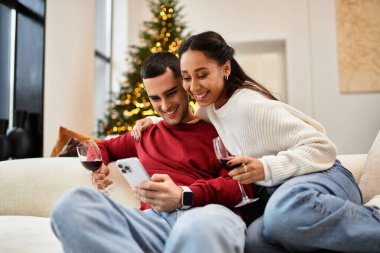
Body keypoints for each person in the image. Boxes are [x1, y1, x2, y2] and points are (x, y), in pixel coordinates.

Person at [133, 31, 380, 252]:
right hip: (277, 192)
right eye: (187, 78)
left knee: (283, 213)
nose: (194, 86)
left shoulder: (248, 105)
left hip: (321, 177)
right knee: (253, 241)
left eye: (202, 74)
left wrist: (265, 168)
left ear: (225, 68)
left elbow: (323, 148)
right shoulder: (209, 109)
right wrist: (153, 120)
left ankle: (372, 220)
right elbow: (184, 118)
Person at [50, 52, 256, 253]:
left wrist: (183, 196)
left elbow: (242, 185)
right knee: (70, 206)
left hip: (205, 216)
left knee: (197, 225)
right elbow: (102, 147)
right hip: (153, 224)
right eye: (155, 98)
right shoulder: (144, 134)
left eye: (170, 93)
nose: (165, 106)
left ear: (185, 85)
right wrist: (100, 164)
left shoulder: (218, 129)